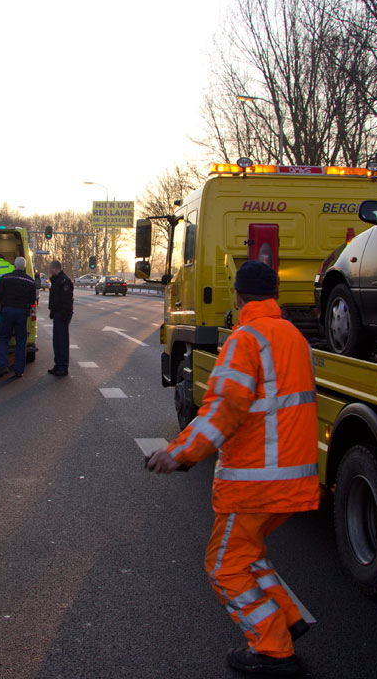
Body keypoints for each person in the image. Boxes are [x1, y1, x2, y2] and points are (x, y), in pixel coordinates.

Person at [146, 260, 318, 677]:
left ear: (238, 296)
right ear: (274, 294)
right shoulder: (293, 336)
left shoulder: (245, 339)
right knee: (250, 554)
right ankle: (287, 618)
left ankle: (273, 648)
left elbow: (222, 410)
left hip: (255, 482)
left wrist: (179, 453)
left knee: (225, 565)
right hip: (292, 480)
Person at [0, 256, 36, 378]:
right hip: (21, 313)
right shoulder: (30, 281)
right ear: (25, 267)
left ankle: (3, 366)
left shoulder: (5, 278)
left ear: (15, 266)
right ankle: (19, 370)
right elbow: (33, 299)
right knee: (21, 340)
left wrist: (0, 304)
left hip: (7, 311)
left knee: (4, 338)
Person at [46, 259, 74, 377]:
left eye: (50, 268)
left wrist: (63, 314)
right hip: (57, 313)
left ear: (55, 268)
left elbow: (67, 300)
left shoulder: (64, 281)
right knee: (57, 341)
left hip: (62, 315)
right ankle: (58, 365)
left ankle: (63, 366)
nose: (49, 270)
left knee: (62, 341)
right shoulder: (57, 280)